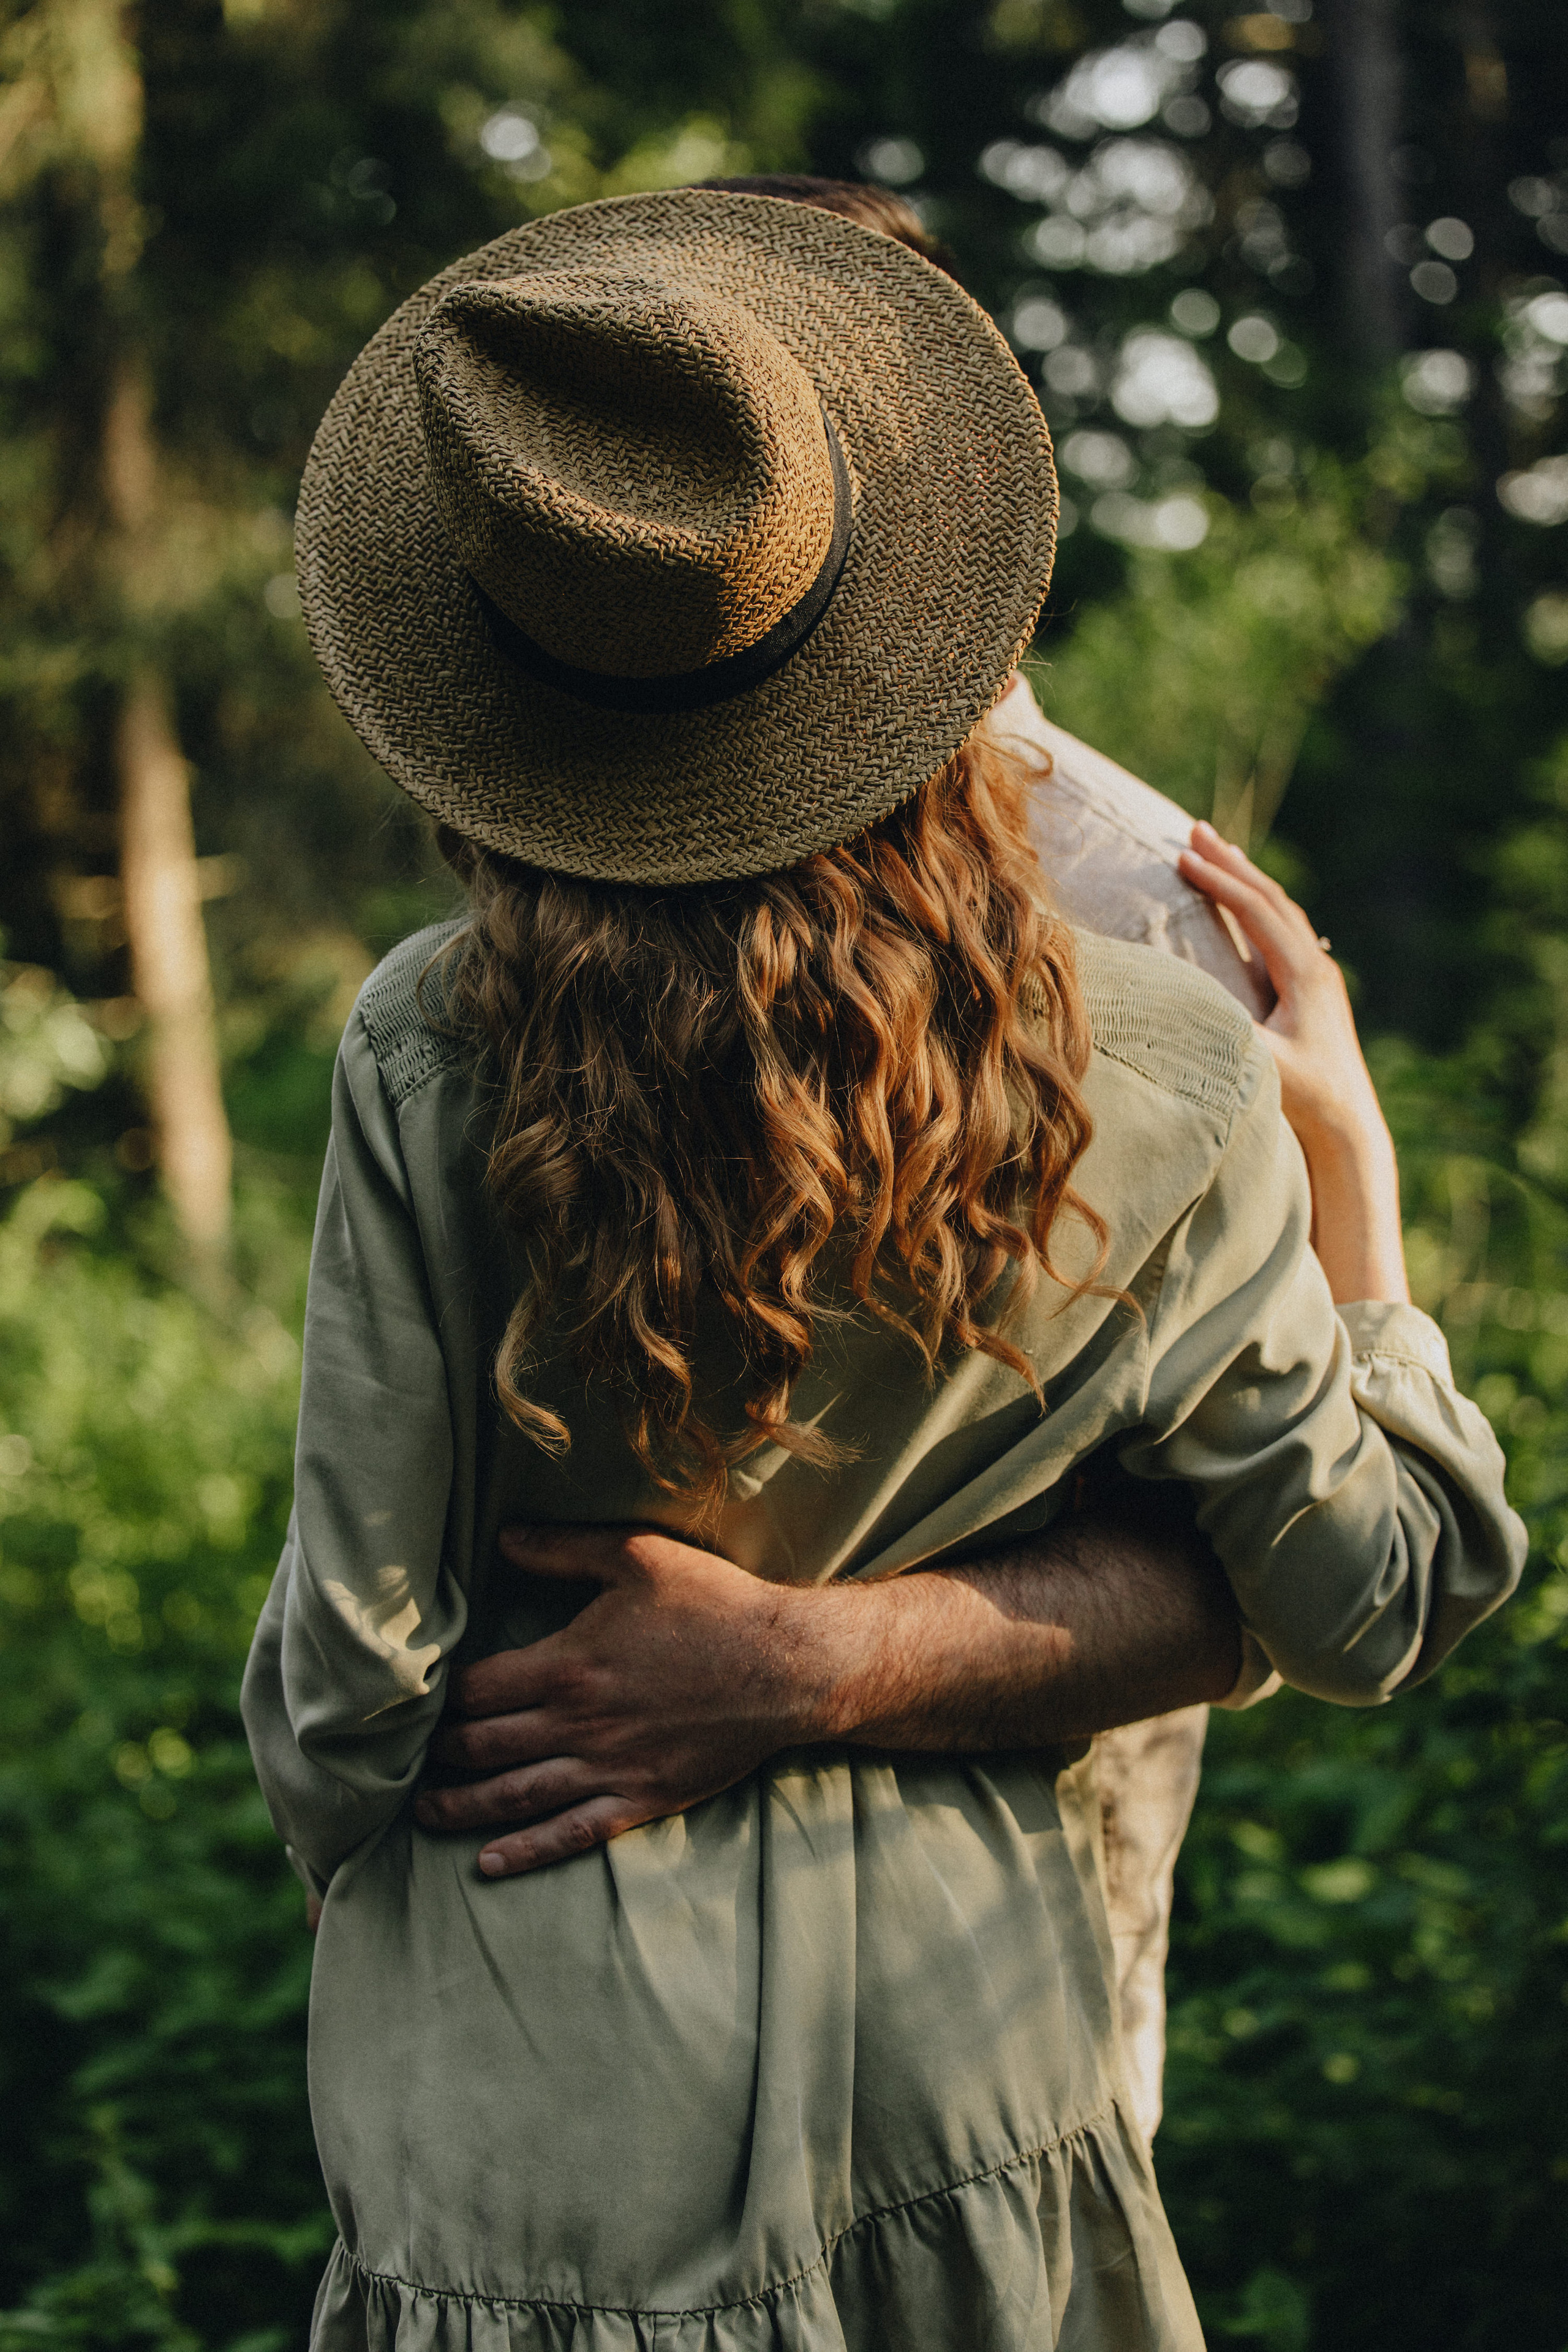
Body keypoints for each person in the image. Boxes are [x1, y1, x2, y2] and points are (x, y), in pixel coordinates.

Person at [243, 187, 1525, 2350]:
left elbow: (353, 1694)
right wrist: (1354, 1182)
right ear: (912, 624)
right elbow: (1371, 1598)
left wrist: (371, 1863)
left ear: (494, 706)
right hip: (969, 2073)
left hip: (539, 2100)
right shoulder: (1169, 1064)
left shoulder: (433, 1048)